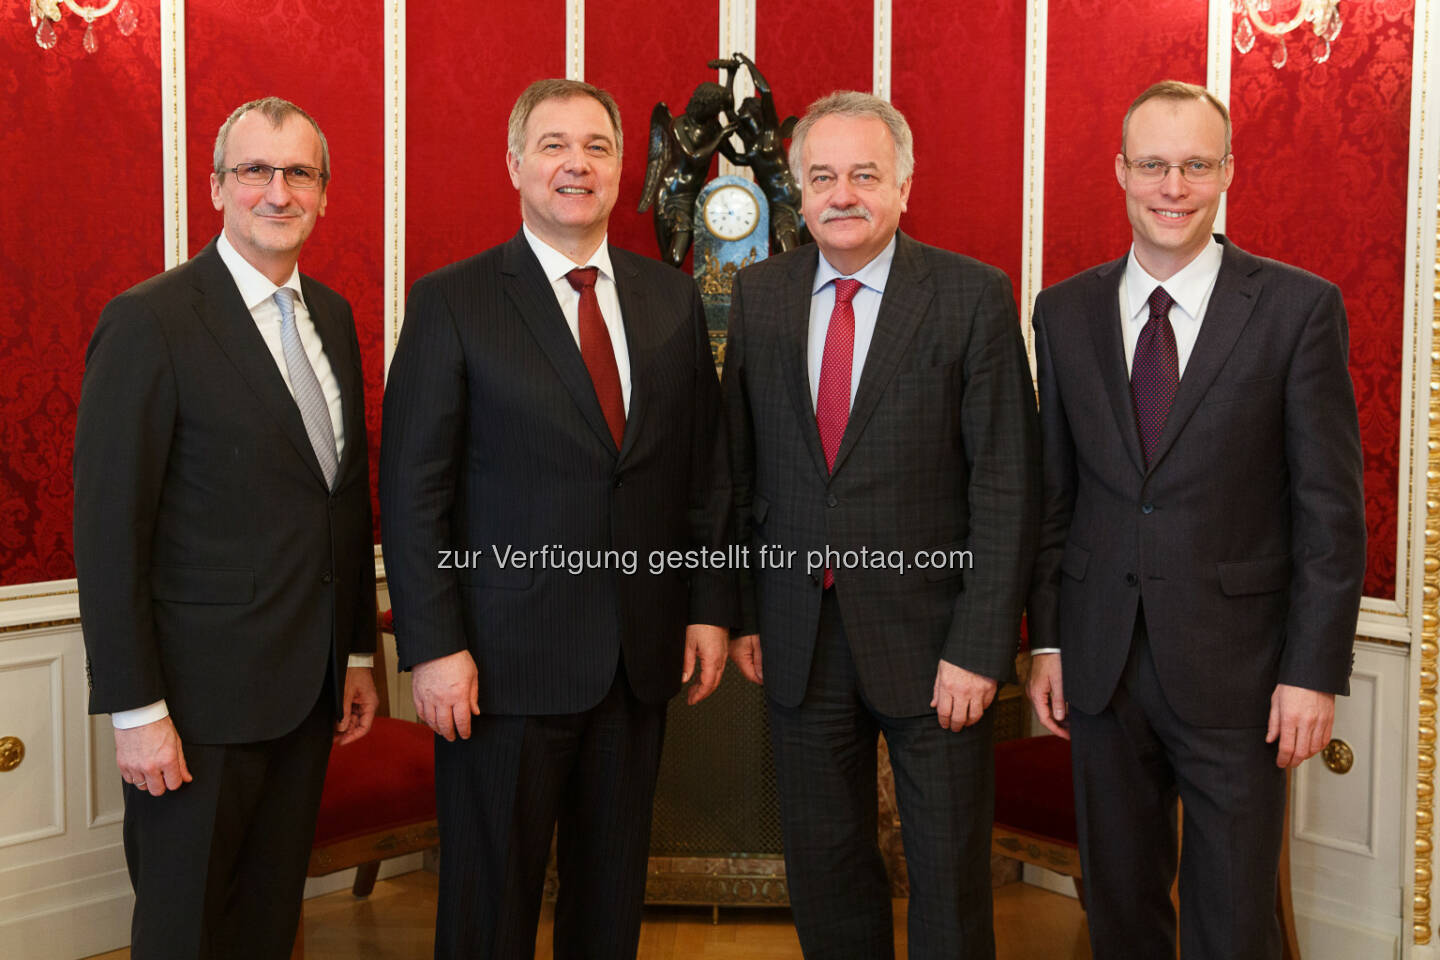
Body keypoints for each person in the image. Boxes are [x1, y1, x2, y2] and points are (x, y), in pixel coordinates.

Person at [379, 78, 733, 960]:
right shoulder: (453, 301)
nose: (577, 163)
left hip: (637, 660)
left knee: (610, 903)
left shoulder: (669, 300)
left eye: (598, 147)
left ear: (624, 171)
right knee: (488, 904)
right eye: (553, 145)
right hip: (496, 667)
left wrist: (707, 607)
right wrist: (433, 645)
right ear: (515, 164)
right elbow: (413, 492)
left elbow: (704, 475)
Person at [1026, 80, 1366, 960]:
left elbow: (1330, 513)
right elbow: (1054, 497)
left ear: (1225, 174)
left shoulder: (1297, 309)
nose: (1172, 186)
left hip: (1244, 677)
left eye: (1194, 165)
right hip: (1100, 671)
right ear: (1121, 173)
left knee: (1232, 922)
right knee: (1119, 911)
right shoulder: (1062, 313)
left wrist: (1313, 672)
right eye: (1153, 165)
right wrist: (1051, 644)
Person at [722, 90, 1039, 960]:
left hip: (937, 645)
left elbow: (1008, 487)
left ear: (904, 184)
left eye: (865, 173)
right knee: (825, 870)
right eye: (822, 176)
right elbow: (739, 472)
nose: (843, 193)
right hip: (799, 633)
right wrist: (746, 611)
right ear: (798, 191)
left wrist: (980, 647)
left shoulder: (972, 297)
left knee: (945, 878)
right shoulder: (761, 295)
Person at [74, 96, 379, 958]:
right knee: (184, 929)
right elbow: (108, 531)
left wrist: (356, 652)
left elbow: (341, 500)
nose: (277, 192)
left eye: (300, 173)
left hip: (308, 693)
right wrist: (135, 708)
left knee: (268, 923)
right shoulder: (152, 321)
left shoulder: (333, 316)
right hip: (194, 707)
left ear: (323, 192)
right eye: (255, 170)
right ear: (216, 187)